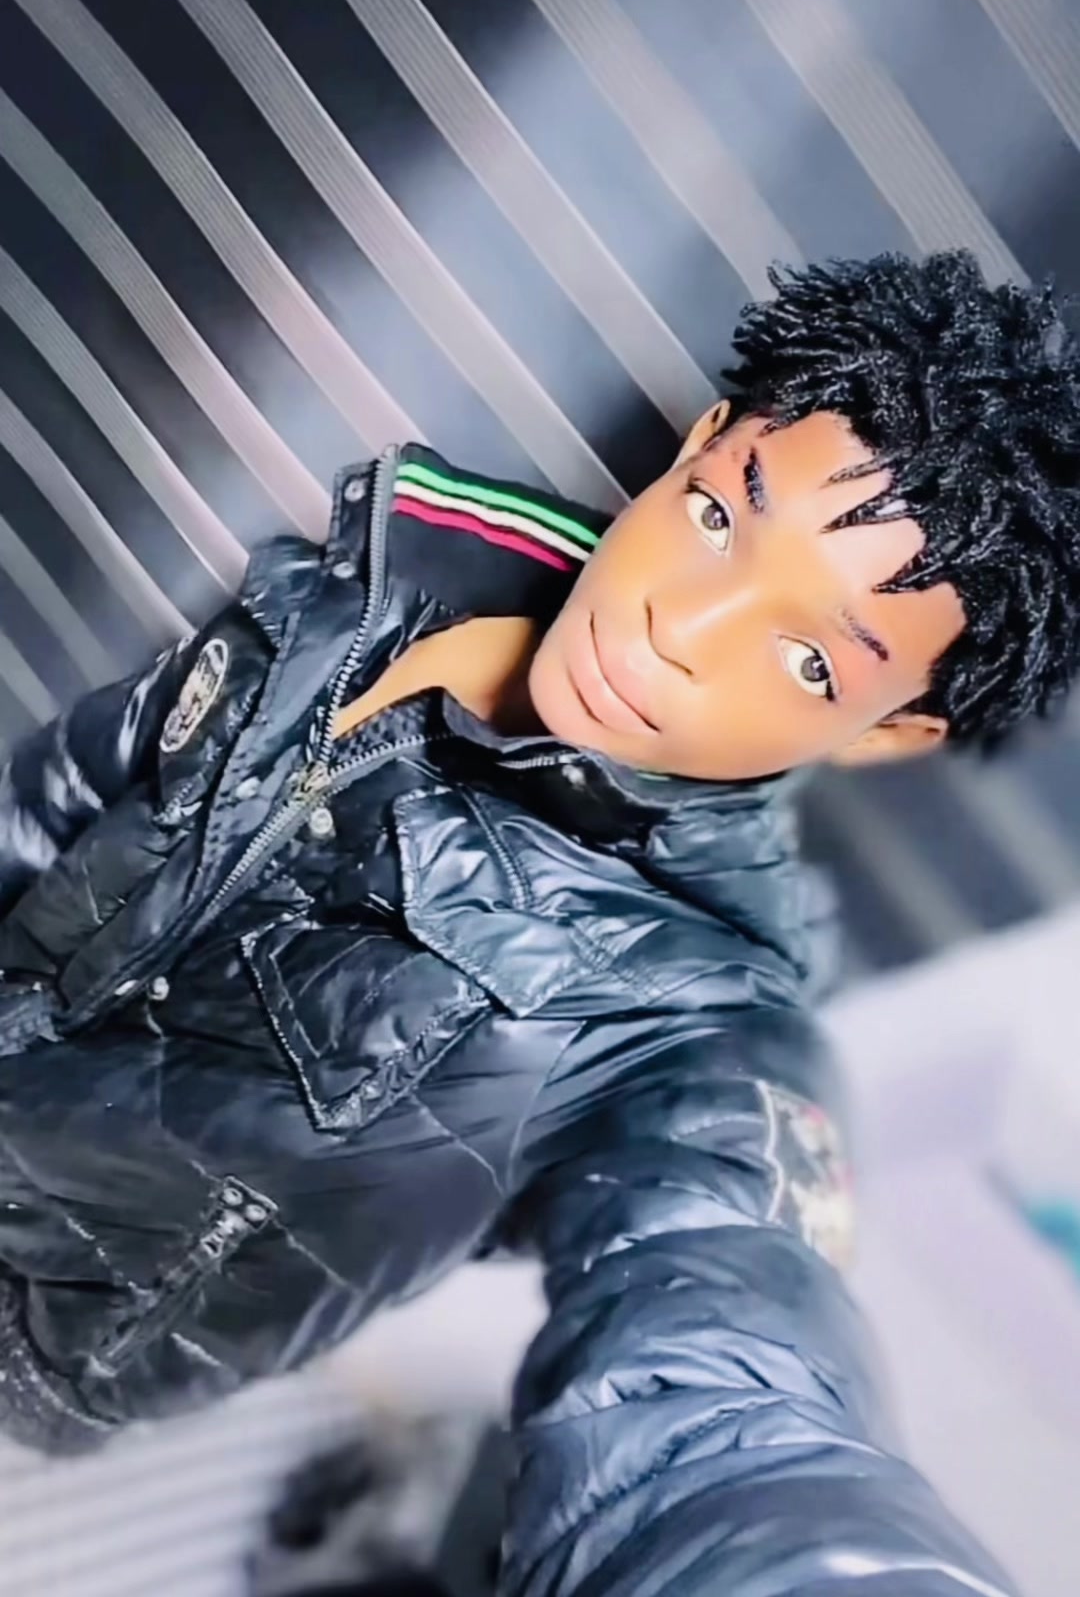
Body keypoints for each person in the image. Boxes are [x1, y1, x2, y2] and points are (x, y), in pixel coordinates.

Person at [1, 249, 1076, 1594]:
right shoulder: (373, 583)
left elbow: (723, 1389)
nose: (679, 625)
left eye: (810, 659)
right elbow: (64, 792)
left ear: (887, 732)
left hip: (56, 1323)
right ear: (700, 440)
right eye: (718, 517)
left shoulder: (698, 1028)